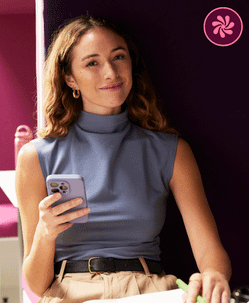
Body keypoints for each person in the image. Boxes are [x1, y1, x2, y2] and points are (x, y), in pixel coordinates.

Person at [15, 16, 231, 303]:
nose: (111, 72)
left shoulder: (172, 151)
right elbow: (36, 284)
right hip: (72, 292)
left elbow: (208, 249)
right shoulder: (35, 157)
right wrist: (45, 232)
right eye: (92, 62)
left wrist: (214, 273)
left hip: (150, 290)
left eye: (119, 57)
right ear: (70, 78)